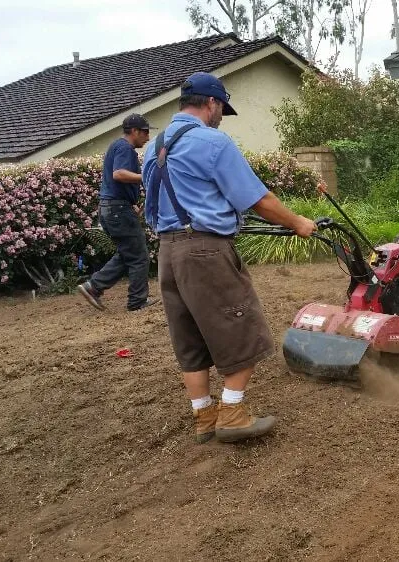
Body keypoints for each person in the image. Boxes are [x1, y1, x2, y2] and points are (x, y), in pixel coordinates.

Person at [141, 72, 316, 444]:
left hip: (168, 252)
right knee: (243, 328)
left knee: (189, 336)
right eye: (222, 107)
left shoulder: (154, 147)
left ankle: (204, 417)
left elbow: (156, 205)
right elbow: (258, 199)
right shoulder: (212, 142)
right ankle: (233, 414)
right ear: (212, 103)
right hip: (205, 251)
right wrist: (298, 222)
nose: (221, 116)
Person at [78, 113, 159, 312]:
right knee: (139, 255)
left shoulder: (117, 146)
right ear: (134, 131)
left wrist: (131, 202)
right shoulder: (125, 148)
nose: (148, 137)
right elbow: (119, 174)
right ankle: (137, 301)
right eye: (145, 132)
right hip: (117, 209)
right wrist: (147, 176)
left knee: (129, 252)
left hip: (112, 208)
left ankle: (93, 287)